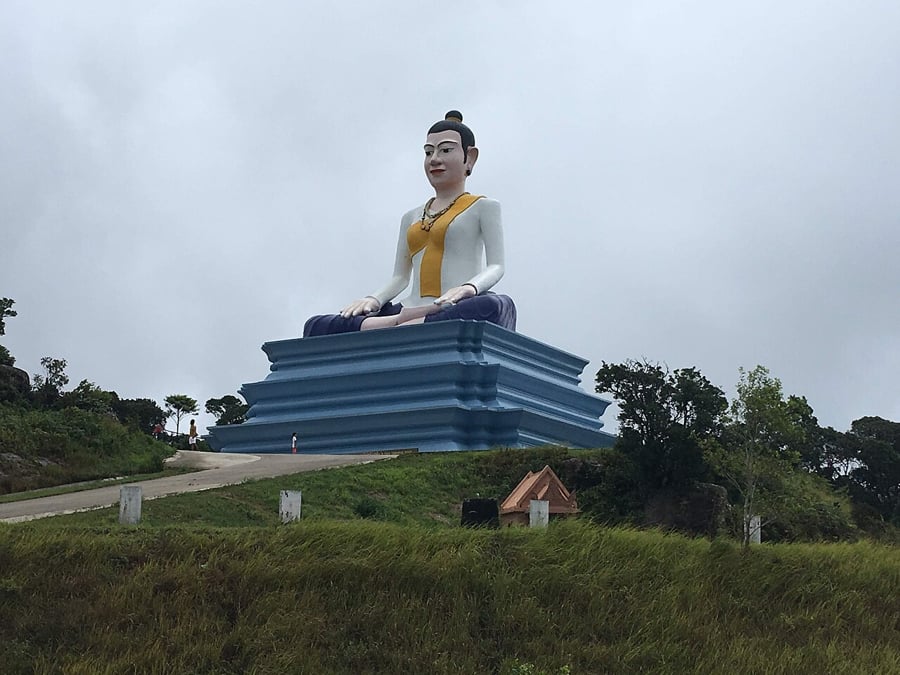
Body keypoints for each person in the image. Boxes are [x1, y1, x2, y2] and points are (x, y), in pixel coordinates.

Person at [303, 111, 516, 337]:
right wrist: (373, 300)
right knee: (316, 326)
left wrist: (469, 288)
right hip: (407, 308)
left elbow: (496, 266)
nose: (435, 159)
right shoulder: (411, 217)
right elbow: (400, 277)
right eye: (428, 152)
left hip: (454, 305)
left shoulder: (483, 207)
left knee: (493, 307)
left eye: (445, 150)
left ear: (469, 157)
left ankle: (398, 326)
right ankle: (404, 322)